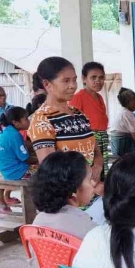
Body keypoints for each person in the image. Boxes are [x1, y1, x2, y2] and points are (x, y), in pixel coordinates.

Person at [27, 56, 103, 186]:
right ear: (47, 84)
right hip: (69, 196)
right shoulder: (42, 120)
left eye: (74, 80)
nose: (72, 86)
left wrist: (97, 166)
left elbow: (95, 151)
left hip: (90, 191)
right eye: (66, 81)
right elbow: (51, 171)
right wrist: (83, 186)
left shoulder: (79, 115)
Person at [31, 151, 97, 238]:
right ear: (74, 189)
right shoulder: (84, 225)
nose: (94, 183)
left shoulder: (38, 220)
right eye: (90, 179)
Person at [70, 62, 110, 178]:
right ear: (84, 78)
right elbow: (73, 124)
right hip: (88, 141)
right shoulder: (79, 97)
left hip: (102, 137)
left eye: (101, 77)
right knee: (90, 175)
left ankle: (99, 196)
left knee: (101, 173)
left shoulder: (100, 97)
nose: (98, 81)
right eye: (93, 77)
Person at [0, 107, 35, 191]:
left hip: (5, 170)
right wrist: (41, 158)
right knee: (47, 171)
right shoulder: (15, 135)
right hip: (16, 172)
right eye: (26, 119)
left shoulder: (7, 131)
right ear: (15, 122)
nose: (29, 121)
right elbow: (26, 159)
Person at [109, 87, 135, 158]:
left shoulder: (122, 111)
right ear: (129, 102)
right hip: (123, 145)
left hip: (116, 146)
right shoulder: (128, 114)